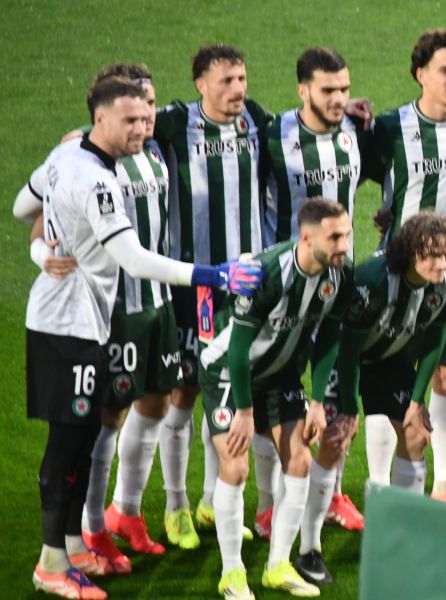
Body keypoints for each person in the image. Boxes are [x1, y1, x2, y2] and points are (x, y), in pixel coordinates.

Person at [22, 76, 261, 600]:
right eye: (130, 118)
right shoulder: (97, 177)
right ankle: (52, 562)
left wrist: (47, 250)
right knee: (69, 444)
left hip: (89, 320)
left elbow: (24, 204)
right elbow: (131, 258)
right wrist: (212, 275)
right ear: (100, 118)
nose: (143, 124)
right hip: (69, 324)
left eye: (146, 113)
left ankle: (74, 547)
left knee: (86, 436)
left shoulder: (72, 159)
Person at [152, 43, 279, 546]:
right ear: (200, 84)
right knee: (183, 393)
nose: (238, 89)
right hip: (196, 285)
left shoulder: (256, 121)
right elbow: (115, 128)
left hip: (245, 286)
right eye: (226, 81)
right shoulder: (173, 123)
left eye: (242, 79)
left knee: (227, 388)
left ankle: (209, 500)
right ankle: (174, 505)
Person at [198, 198, 353, 599]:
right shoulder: (267, 274)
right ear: (306, 238)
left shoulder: (341, 274)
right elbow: (238, 348)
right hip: (228, 372)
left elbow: (330, 338)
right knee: (236, 467)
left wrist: (317, 402)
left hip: (281, 373)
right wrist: (245, 412)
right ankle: (232, 575)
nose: (344, 245)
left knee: (300, 460)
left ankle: (278, 565)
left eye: (347, 235)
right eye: (335, 237)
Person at [300, 213, 446, 581]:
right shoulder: (373, 281)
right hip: (345, 356)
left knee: (415, 435)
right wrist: (348, 409)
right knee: (334, 440)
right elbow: (348, 348)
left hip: (390, 357)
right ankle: (309, 548)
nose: (441, 264)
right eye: (432, 256)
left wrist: (417, 401)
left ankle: (403, 538)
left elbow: (435, 341)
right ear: (410, 253)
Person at [263, 46, 371, 533]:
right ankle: (269, 502)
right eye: (328, 90)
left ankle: (331, 493)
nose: (339, 99)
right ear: (302, 90)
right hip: (286, 287)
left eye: (344, 89)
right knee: (275, 392)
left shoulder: (354, 131)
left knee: (334, 394)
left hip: (337, 282)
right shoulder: (272, 136)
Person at [369, 28, 446, 499]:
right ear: (420, 74)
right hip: (401, 276)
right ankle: (379, 488)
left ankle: (443, 486)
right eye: (444, 70)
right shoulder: (391, 128)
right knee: (389, 383)